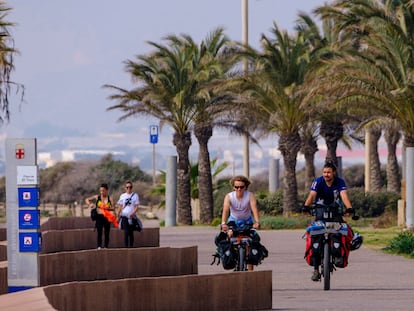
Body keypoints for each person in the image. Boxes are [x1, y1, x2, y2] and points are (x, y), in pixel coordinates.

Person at [302, 160, 355, 281]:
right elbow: (312, 195)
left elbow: (344, 195)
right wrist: (306, 206)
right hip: (320, 212)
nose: (326, 174)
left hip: (335, 211)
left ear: (334, 173)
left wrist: (349, 208)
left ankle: (338, 256)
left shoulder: (340, 182)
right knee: (315, 236)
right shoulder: (318, 181)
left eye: (329, 172)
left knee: (339, 231)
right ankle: (316, 270)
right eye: (325, 172)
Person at [221, 175, 260, 271]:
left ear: (245, 187)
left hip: (247, 221)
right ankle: (230, 258)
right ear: (233, 187)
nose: (239, 189)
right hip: (233, 221)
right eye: (236, 187)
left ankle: (251, 270)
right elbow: (226, 210)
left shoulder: (249, 195)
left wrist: (257, 222)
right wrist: (223, 223)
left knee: (251, 242)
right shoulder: (229, 196)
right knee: (229, 236)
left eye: (241, 187)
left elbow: (254, 208)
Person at [85, 183, 117, 249]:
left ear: (106, 190)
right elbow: (87, 199)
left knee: (107, 232)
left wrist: (106, 208)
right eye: (101, 190)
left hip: (107, 217)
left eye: (103, 190)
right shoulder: (97, 197)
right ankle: (99, 246)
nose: (102, 192)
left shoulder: (109, 198)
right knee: (99, 231)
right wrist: (90, 204)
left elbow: (113, 208)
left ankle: (106, 246)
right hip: (99, 216)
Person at [117, 180, 140, 248]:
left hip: (131, 216)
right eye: (127, 187)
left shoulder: (135, 195)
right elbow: (120, 206)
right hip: (124, 216)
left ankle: (131, 246)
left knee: (131, 232)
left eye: (130, 187)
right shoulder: (123, 196)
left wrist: (133, 213)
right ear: (125, 188)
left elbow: (136, 206)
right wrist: (118, 215)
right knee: (126, 232)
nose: (129, 189)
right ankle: (126, 247)